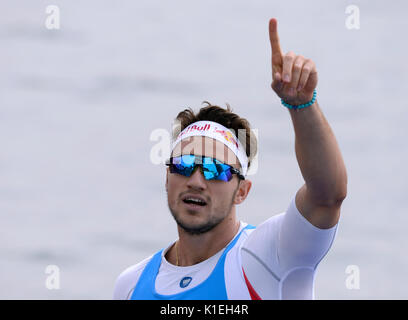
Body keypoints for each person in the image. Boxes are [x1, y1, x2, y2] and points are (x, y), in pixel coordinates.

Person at [113, 18, 347, 300]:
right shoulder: (130, 285)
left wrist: (301, 106)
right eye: (184, 166)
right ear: (167, 178)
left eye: (216, 170)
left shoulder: (268, 256)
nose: (197, 181)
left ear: (242, 191)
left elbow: (327, 196)